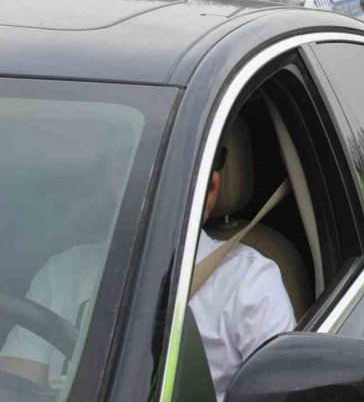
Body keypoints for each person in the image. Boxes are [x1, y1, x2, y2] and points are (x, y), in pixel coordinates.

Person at [0, 145, 295, 401]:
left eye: (159, 168)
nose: (139, 182)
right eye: (124, 166)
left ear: (210, 190)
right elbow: (15, 385)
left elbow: (284, 392)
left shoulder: (249, 282)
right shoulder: (64, 270)